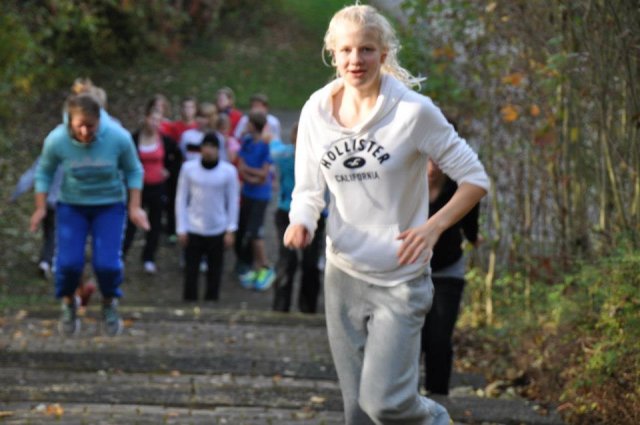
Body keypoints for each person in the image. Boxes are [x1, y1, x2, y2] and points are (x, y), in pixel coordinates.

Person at [284, 5, 489, 425]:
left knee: (386, 402)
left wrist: (434, 227)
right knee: (357, 411)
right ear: (332, 54)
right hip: (343, 272)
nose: (355, 60)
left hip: (401, 275)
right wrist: (300, 221)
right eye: (345, 50)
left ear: (383, 53)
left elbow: (474, 178)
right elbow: (307, 189)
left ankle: (437, 421)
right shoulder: (315, 112)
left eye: (366, 49)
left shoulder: (413, 112)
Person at [30, 93, 149, 337]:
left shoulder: (118, 137)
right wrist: (41, 207)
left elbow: (134, 170)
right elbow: (44, 172)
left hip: (109, 205)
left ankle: (109, 301)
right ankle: (68, 303)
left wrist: (135, 206)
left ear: (99, 120)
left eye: (90, 126)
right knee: (68, 264)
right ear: (69, 123)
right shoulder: (57, 140)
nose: (85, 132)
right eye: (79, 126)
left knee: (107, 264)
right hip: (72, 205)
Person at [421, 158, 481, 396]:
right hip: (408, 271)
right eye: (427, 159)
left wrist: (473, 236)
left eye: (439, 161)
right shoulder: (405, 183)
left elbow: (470, 220)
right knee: (411, 338)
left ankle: (437, 399)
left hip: (447, 270)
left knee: (439, 338)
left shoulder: (459, 188)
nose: (432, 168)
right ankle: (404, 402)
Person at [175, 133, 239, 301]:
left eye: (213, 147)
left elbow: (232, 201)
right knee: (191, 272)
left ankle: (212, 304)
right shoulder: (188, 168)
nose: (209, 151)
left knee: (215, 272)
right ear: (200, 148)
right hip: (193, 227)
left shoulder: (229, 171)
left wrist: (231, 229)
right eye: (206, 146)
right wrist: (181, 228)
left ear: (218, 150)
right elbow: (181, 198)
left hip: (217, 227)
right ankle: (189, 303)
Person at [122, 99, 183, 273]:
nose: (154, 123)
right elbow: (124, 160)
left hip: (158, 187)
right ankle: (122, 255)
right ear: (145, 118)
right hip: (137, 188)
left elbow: (177, 157)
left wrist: (168, 171)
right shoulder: (133, 139)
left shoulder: (165, 141)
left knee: (154, 224)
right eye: (152, 119)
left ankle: (149, 257)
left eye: (158, 120)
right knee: (131, 223)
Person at [270, 123, 326, 313]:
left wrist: (269, 135)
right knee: (306, 263)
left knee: (289, 261)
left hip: (290, 210)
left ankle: (282, 307)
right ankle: (306, 308)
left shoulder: (283, 154)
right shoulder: (320, 156)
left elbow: (273, 145)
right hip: (310, 212)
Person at [234, 111, 276, 291]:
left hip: (260, 196)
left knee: (255, 232)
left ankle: (266, 267)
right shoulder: (247, 141)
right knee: (246, 230)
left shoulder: (265, 146)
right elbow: (241, 166)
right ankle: (255, 267)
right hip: (248, 193)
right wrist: (253, 175)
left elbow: (264, 174)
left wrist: (249, 174)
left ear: (253, 125)